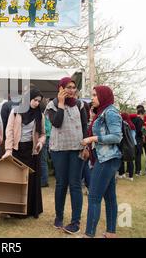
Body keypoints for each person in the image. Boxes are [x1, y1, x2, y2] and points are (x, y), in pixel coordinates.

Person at [45, 77, 87, 234]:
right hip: (59, 149)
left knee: (75, 184)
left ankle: (75, 222)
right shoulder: (52, 105)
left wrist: (86, 146)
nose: (71, 90)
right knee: (61, 184)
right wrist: (61, 104)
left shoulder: (81, 104)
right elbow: (56, 123)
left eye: (73, 87)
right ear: (61, 88)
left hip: (77, 149)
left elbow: (84, 126)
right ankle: (59, 217)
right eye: (68, 87)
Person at [81, 85, 123, 238]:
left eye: (95, 95)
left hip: (107, 159)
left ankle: (89, 234)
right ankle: (111, 232)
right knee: (110, 197)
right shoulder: (102, 111)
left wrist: (93, 138)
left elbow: (117, 137)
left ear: (103, 96)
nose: (92, 98)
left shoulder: (110, 112)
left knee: (93, 197)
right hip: (105, 158)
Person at [3, 88, 46, 218]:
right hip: (17, 149)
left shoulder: (40, 115)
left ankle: (32, 210)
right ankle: (15, 210)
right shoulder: (16, 111)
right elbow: (9, 131)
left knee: (31, 180)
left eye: (39, 101)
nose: (36, 103)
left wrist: (40, 143)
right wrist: (8, 149)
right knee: (16, 180)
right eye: (34, 100)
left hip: (32, 151)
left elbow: (43, 134)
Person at [131, 105, 146, 176]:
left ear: (144, 111)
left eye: (141, 110)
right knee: (138, 154)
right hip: (139, 138)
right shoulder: (135, 117)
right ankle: (138, 170)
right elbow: (129, 115)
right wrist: (138, 115)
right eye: (138, 110)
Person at [118, 113, 136, 181]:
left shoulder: (123, 125)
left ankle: (122, 173)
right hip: (132, 144)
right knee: (130, 160)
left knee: (121, 159)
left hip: (125, 144)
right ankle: (130, 176)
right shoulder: (131, 125)